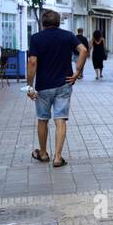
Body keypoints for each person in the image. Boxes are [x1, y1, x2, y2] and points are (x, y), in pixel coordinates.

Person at [27, 9, 88, 167]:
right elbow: (83, 50)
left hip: (43, 86)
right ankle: (58, 157)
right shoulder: (68, 36)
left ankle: (43, 153)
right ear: (58, 22)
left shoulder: (36, 38)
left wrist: (29, 86)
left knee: (42, 119)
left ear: (43, 23)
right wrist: (77, 72)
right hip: (64, 84)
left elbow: (32, 62)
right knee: (60, 119)